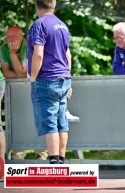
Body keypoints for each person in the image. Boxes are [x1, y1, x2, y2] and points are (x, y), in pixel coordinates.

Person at [27, 0, 72, 164]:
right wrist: (68, 78)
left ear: (36, 5)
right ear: (53, 5)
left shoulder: (39, 24)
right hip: (63, 79)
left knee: (50, 122)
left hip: (46, 79)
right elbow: (68, 56)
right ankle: (61, 160)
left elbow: (38, 55)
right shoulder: (62, 25)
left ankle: (53, 163)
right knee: (62, 122)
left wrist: (32, 78)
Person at [0, 26, 49, 160]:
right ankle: (18, 155)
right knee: (17, 120)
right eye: (8, 37)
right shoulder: (3, 48)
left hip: (36, 86)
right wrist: (13, 56)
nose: (11, 40)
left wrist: (13, 55)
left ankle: (41, 154)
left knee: (37, 118)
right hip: (16, 92)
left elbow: (23, 73)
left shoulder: (29, 47)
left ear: (21, 37)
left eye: (14, 37)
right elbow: (6, 72)